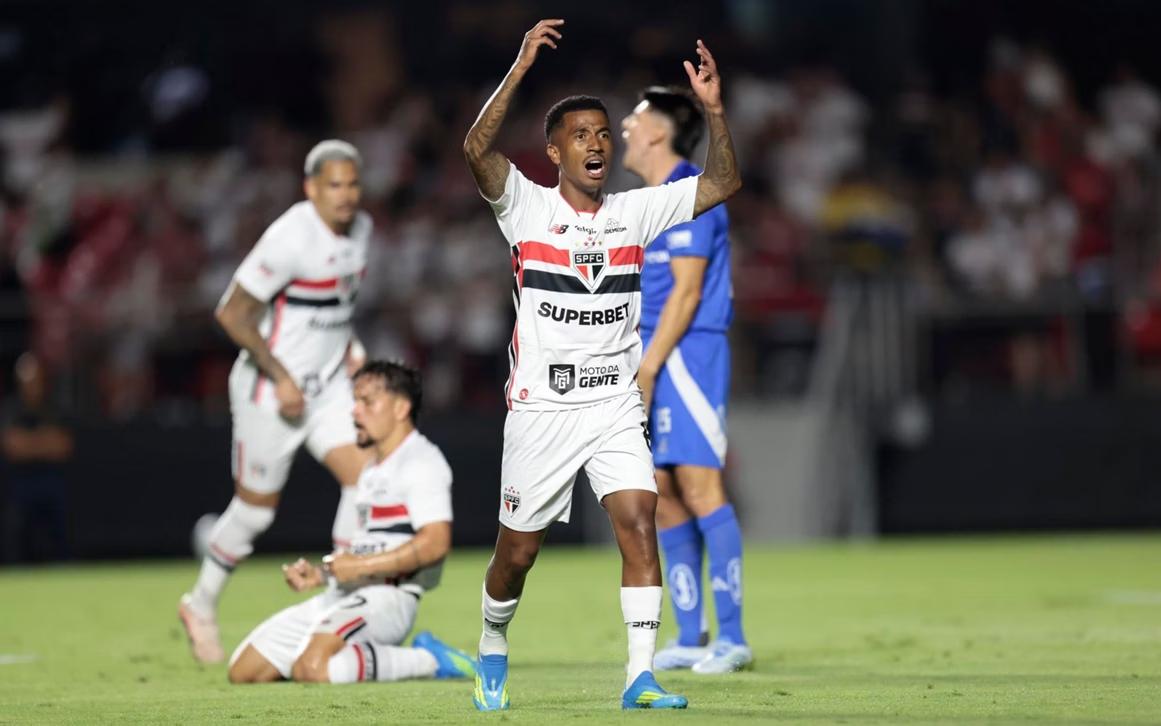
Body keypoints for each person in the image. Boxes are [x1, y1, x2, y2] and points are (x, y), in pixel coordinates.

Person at [461, 18, 741, 711]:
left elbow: (725, 180)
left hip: (614, 404)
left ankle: (639, 676)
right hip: (542, 409)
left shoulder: (636, 212)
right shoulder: (524, 206)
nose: (597, 142)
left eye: (604, 133)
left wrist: (712, 111)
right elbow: (475, 147)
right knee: (516, 556)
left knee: (640, 520)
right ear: (554, 150)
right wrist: (522, 66)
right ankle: (494, 642)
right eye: (581, 134)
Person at [179, 140, 373, 664]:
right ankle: (199, 604)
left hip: (328, 388)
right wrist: (282, 376)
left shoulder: (363, 231)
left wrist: (351, 350)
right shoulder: (289, 237)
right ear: (310, 188)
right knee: (254, 515)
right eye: (334, 185)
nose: (346, 195)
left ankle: (338, 603)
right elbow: (232, 314)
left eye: (352, 183)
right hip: (270, 391)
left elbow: (337, 306)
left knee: (366, 477)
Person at [227, 360, 475, 685]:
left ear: (401, 407)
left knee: (313, 667)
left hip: (389, 599)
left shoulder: (421, 462)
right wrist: (322, 573)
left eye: (367, 402)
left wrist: (359, 568)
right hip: (346, 594)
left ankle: (430, 660)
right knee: (245, 670)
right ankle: (353, 658)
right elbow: (368, 548)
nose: (355, 412)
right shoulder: (372, 470)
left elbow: (435, 543)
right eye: (354, 401)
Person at [622, 86, 751, 673]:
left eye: (635, 115)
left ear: (658, 131)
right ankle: (692, 633)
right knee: (663, 495)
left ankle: (733, 638)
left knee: (700, 488)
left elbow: (688, 290)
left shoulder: (690, 194)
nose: (624, 124)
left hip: (687, 357)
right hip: (647, 354)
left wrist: (649, 367)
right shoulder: (644, 200)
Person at [0, 352, 73, 562]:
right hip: (22, 483)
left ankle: (64, 569)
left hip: (51, 480)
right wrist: (44, 442)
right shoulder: (11, 409)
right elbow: (13, 448)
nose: (32, 386)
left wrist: (29, 442)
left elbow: (63, 446)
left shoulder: (53, 408)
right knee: (15, 525)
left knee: (61, 524)